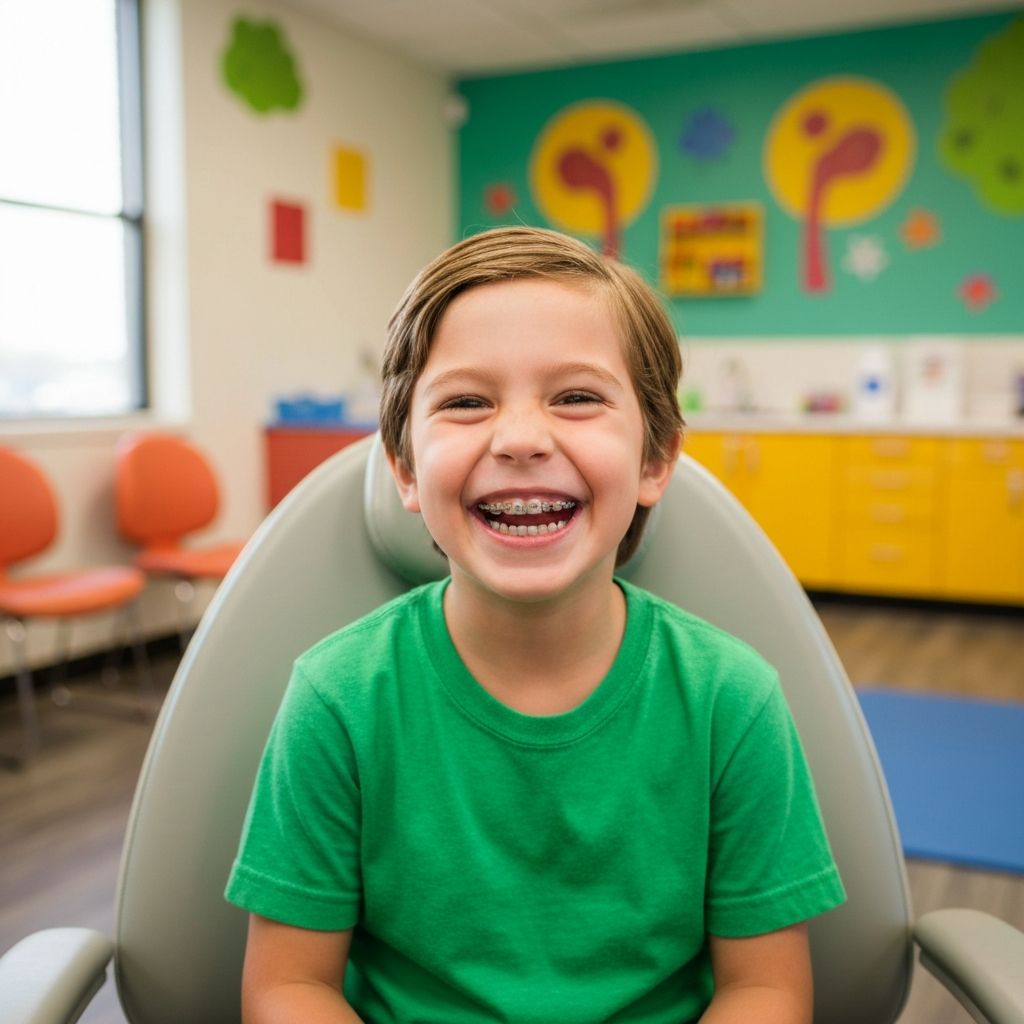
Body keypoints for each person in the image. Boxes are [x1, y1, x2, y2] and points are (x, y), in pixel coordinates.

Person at [225, 226, 846, 1023]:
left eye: (577, 397)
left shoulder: (732, 702)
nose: (520, 439)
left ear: (656, 460)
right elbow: (288, 986)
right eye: (466, 402)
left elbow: (766, 989)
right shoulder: (338, 700)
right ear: (407, 469)